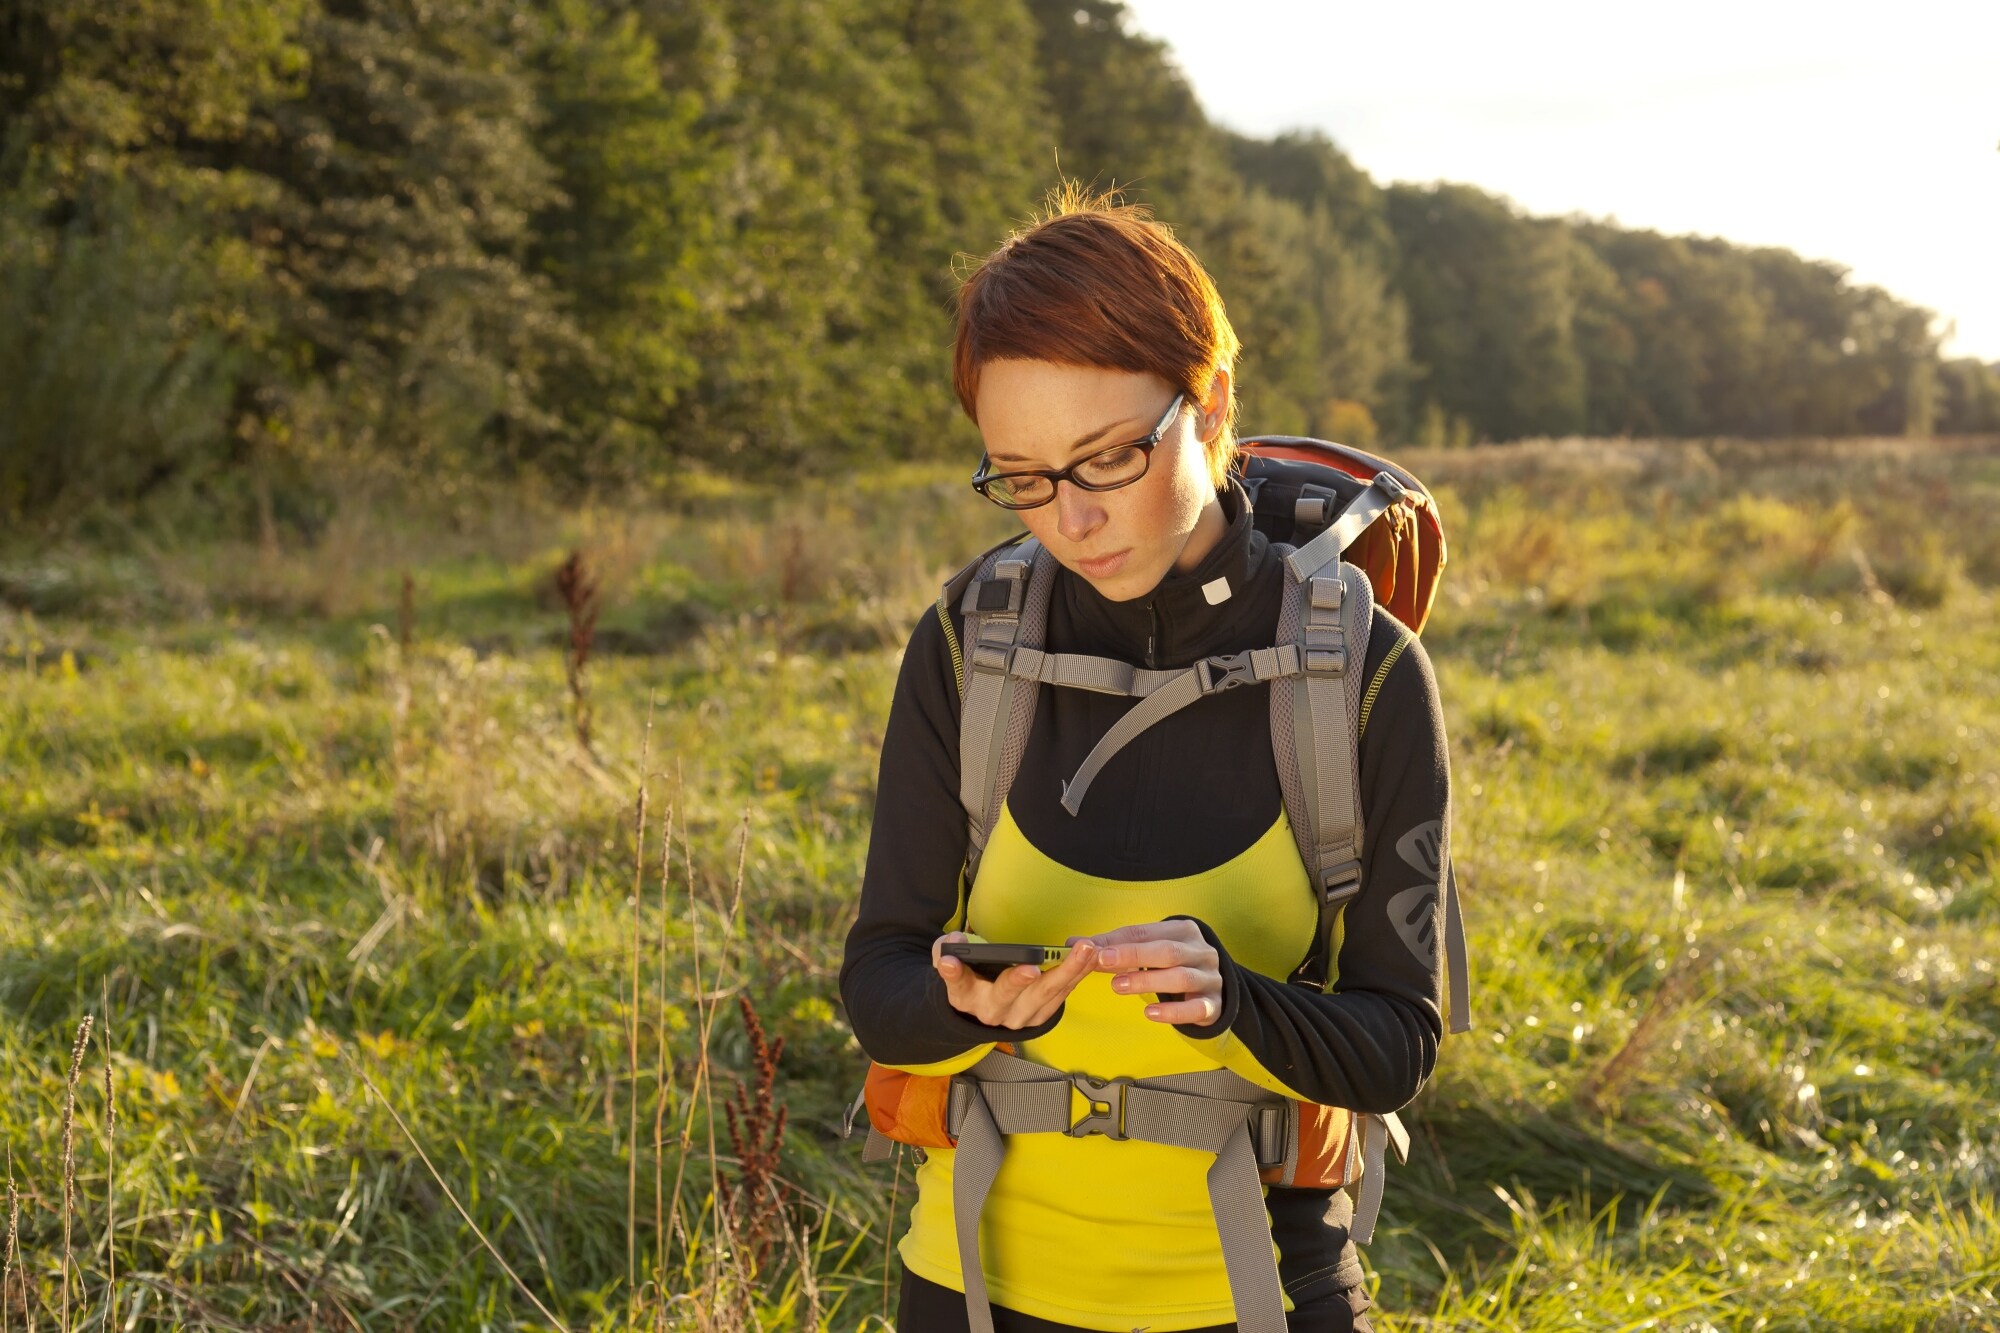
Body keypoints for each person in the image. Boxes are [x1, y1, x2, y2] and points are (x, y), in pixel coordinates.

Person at [839, 189, 1450, 1333]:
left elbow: (1393, 1047)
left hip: (1263, 1293)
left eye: (1106, 457)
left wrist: (1236, 1001)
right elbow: (878, 987)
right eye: (1018, 475)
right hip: (968, 1287)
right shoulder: (967, 646)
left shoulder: (1361, 668)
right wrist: (973, 1008)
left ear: (1210, 399)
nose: (1066, 519)